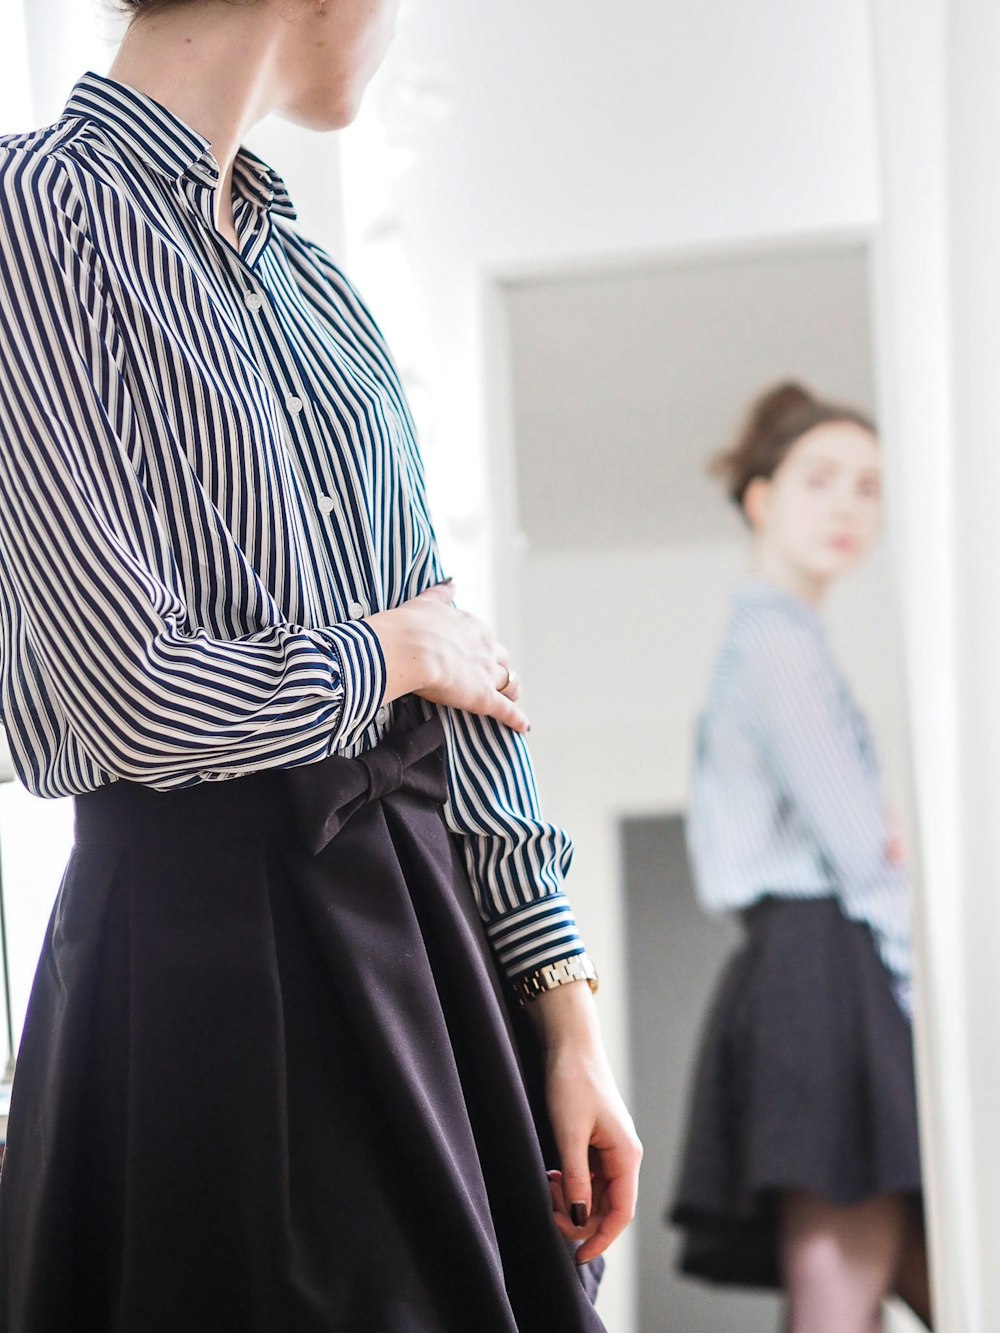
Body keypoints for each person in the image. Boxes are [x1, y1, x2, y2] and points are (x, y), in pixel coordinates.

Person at [0, 2, 641, 1328]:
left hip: (434, 947)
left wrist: (564, 1016)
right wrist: (385, 651)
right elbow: (122, 695)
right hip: (204, 960)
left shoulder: (319, 290)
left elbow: (467, 677)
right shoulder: (38, 213)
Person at [667, 383, 931, 1331]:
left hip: (811, 970)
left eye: (869, 486)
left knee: (889, 1278)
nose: (849, 507)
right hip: (826, 971)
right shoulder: (778, 647)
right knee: (840, 1294)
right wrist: (927, 1014)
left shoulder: (785, 642)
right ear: (762, 499)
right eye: (820, 479)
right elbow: (868, 860)